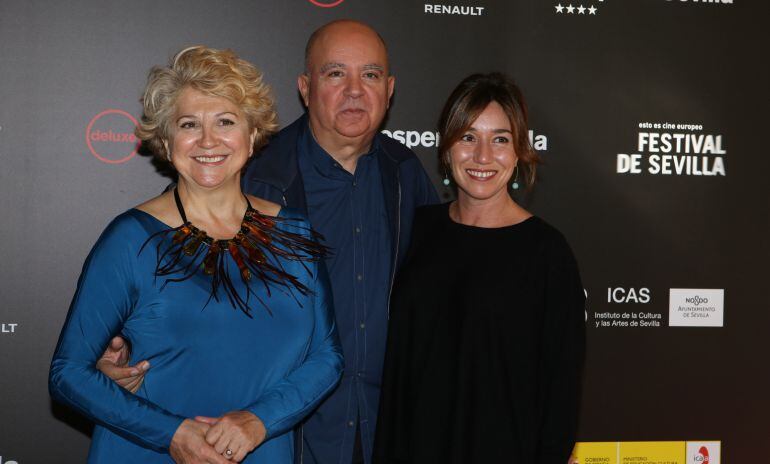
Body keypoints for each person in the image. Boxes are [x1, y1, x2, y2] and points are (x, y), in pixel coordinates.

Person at [96, 20, 437, 464]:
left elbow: (438, 282)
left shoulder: (403, 173)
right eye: (335, 73)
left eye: (370, 75)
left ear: (389, 89)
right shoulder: (249, 169)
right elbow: (160, 264)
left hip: (380, 424)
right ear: (305, 86)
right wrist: (118, 348)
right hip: (278, 431)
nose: (355, 90)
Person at [49, 46, 343, 464]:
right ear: (167, 141)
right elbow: (68, 373)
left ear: (253, 134)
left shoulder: (294, 233)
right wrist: (172, 433)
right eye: (189, 124)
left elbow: (326, 356)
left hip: (259, 451)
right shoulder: (131, 239)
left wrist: (259, 420)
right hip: (148, 452)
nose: (208, 140)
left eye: (226, 121)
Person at [373, 73, 586, 464]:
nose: (483, 156)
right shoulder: (417, 230)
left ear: (520, 150)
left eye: (500, 139)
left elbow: (561, 391)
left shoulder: (547, 254)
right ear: (447, 145)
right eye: (468, 137)